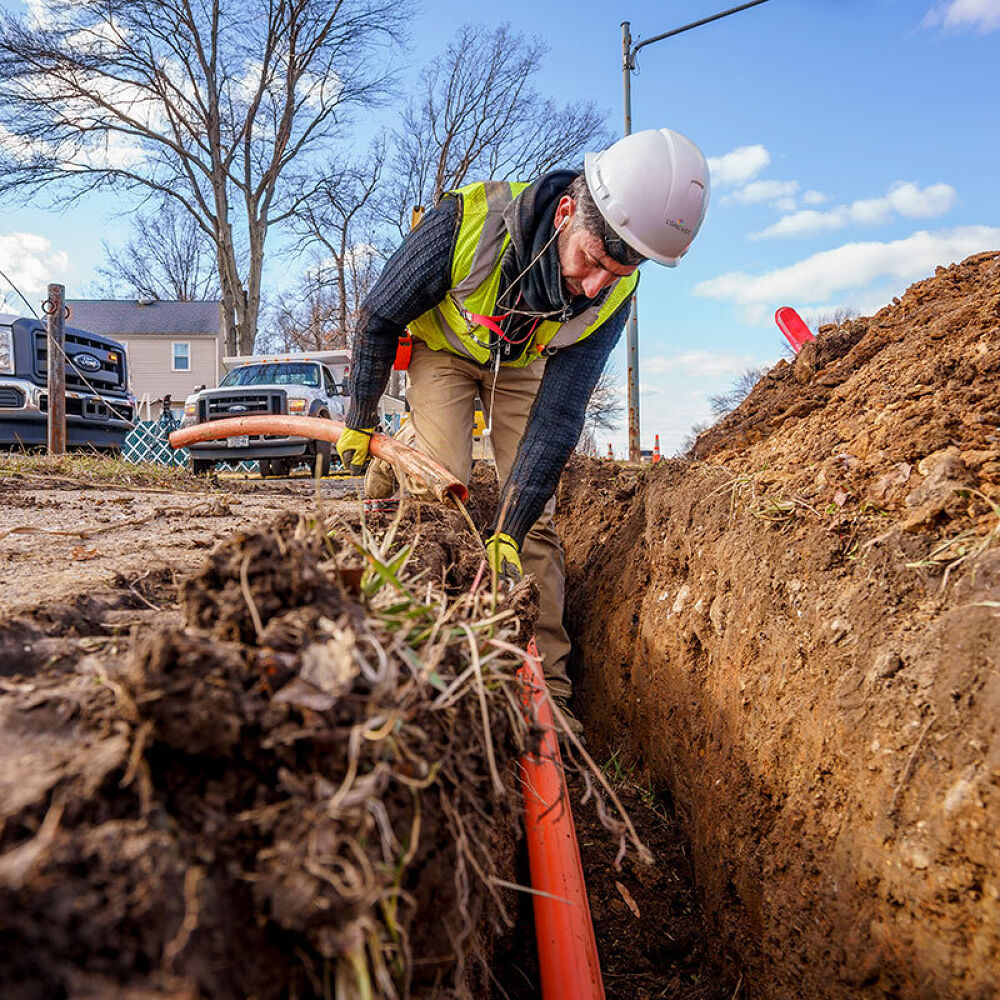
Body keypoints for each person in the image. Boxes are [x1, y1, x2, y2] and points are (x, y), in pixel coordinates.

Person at [337, 127, 710, 723]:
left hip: (522, 362)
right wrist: (360, 416)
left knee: (534, 524)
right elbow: (379, 317)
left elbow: (559, 416)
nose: (594, 286)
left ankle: (551, 698)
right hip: (444, 350)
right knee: (442, 490)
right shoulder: (466, 225)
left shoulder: (613, 294)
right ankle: (427, 646)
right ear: (565, 214)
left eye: (617, 273)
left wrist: (509, 526)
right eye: (592, 260)